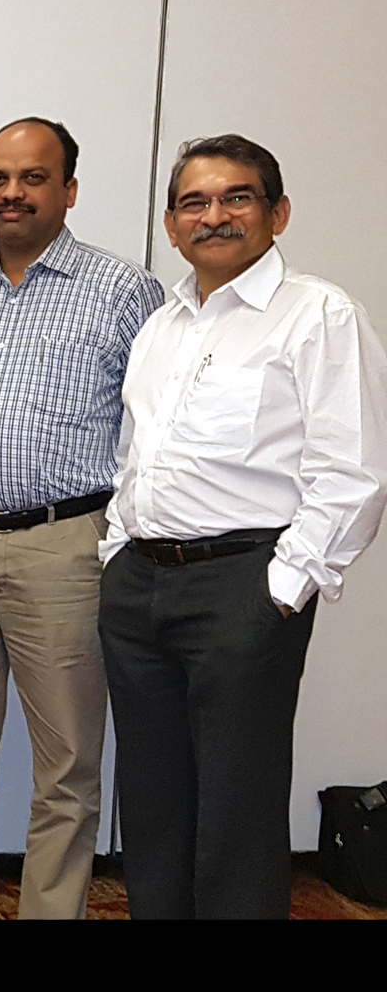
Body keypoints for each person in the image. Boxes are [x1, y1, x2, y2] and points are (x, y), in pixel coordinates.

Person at [100, 134, 386, 920]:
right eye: (194, 202)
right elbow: (135, 455)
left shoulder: (318, 315)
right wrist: (117, 550)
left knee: (237, 810)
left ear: (277, 212)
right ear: (170, 225)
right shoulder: (163, 327)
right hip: (139, 586)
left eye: (237, 197)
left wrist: (282, 589)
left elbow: (354, 473)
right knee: (152, 807)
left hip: (243, 588)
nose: (214, 215)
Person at [0, 119, 165, 920]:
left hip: (65, 547)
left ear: (69, 190)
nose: (12, 193)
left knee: (67, 764)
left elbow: (155, 427)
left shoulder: (124, 291)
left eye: (32, 177)